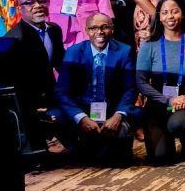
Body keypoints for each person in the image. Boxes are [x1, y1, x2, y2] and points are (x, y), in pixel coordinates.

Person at [53, 13, 139, 166]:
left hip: (112, 110)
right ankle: (80, 148)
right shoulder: (73, 52)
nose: (99, 32)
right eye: (93, 28)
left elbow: (130, 88)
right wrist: (81, 117)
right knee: (55, 115)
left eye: (105, 27)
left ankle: (109, 144)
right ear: (86, 30)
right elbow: (62, 91)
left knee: (137, 116)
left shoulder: (124, 51)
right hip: (83, 109)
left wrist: (118, 116)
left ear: (112, 29)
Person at [136, 0, 185, 163]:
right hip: (158, 103)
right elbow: (141, 82)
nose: (170, 16)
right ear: (159, 16)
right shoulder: (149, 45)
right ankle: (165, 142)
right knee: (160, 159)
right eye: (165, 12)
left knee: (177, 123)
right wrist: (167, 100)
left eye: (175, 11)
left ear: (182, 14)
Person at [5, 0, 65, 152]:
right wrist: (31, 107)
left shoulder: (54, 30)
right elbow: (15, 80)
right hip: (28, 101)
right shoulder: (14, 38)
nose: (37, 5)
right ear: (20, 9)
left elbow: (60, 64)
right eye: (30, 3)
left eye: (41, 1)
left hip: (51, 94)